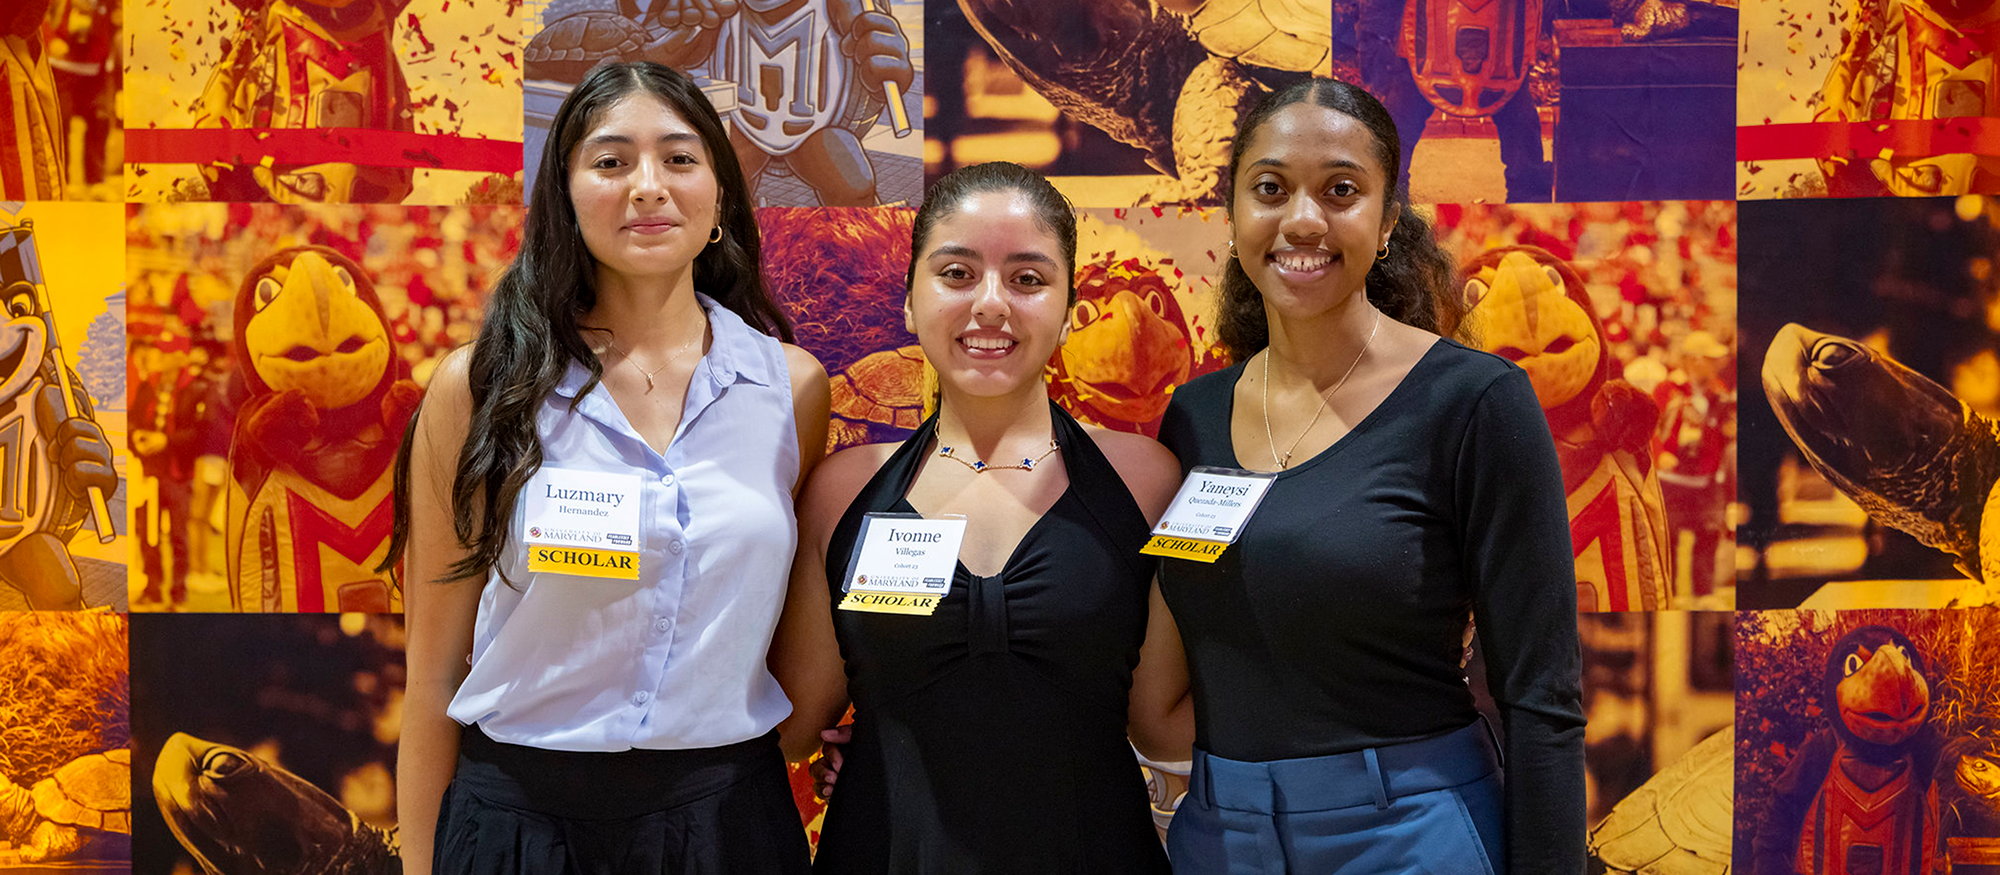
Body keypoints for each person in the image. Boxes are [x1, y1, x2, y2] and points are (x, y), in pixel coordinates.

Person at [390, 61, 830, 875]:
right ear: (564, 194)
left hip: (724, 825)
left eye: (679, 158)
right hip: (518, 826)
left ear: (722, 195)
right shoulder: (480, 386)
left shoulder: (789, 389)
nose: (648, 186)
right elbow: (432, 676)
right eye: (611, 160)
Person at [1154, 78, 1585, 874]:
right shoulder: (1193, 416)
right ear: (1236, 212)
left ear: (1388, 221)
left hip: (1410, 835)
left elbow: (1541, 697)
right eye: (1271, 189)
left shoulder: (1475, 401)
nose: (1303, 219)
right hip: (1221, 838)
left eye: (1341, 190)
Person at [768, 161, 1191, 874]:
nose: (990, 303)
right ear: (909, 302)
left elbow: (1158, 719)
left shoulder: (1146, 481)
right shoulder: (843, 490)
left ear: (1065, 307)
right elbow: (788, 726)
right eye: (957, 273)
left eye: (1027, 279)